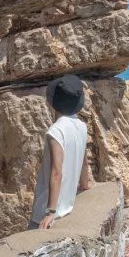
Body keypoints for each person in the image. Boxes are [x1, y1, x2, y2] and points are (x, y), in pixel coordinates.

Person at [29, 73, 94, 230]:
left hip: (47, 208)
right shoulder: (81, 126)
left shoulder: (56, 131)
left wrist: (50, 212)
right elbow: (84, 162)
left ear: (53, 102)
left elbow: (56, 173)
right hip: (67, 205)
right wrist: (85, 185)